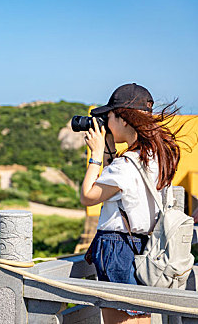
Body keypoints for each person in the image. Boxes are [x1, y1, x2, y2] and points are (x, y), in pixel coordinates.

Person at [80, 83, 181, 324]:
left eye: (110, 116)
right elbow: (122, 187)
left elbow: (88, 196)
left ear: (124, 119)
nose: (106, 123)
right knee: (139, 316)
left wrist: (95, 155)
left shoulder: (126, 165)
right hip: (142, 245)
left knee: (120, 319)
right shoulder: (155, 156)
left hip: (117, 247)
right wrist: (109, 153)